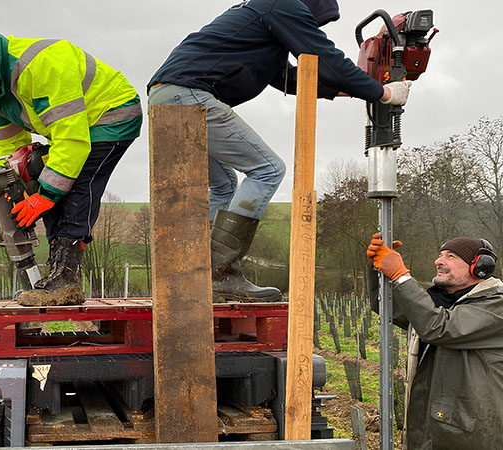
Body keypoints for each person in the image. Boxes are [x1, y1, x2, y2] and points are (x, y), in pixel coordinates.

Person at [147, 0, 412, 302]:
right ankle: (219, 273)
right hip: (187, 95)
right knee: (268, 170)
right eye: (314, 23)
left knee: (223, 185)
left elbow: (287, 78)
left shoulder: (264, 24)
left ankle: (195, 271)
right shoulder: (283, 3)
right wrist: (383, 92)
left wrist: (349, 89)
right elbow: (324, 55)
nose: (310, 28)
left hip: (166, 96)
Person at [0, 25, 142, 306]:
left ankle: (65, 277)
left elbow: (73, 140)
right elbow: (12, 152)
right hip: (74, 131)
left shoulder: (37, 68)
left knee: (75, 186)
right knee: (39, 175)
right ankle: (61, 276)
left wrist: (46, 196)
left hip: (111, 115)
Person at [367, 234, 503, 449]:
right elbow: (388, 307)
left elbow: (440, 328)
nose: (439, 261)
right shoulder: (442, 302)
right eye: (440, 255)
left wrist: (401, 276)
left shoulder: (496, 306)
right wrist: (377, 267)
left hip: (473, 435)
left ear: (479, 267)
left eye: (451, 256)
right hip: (436, 428)